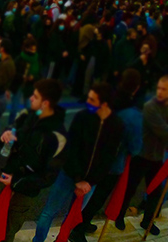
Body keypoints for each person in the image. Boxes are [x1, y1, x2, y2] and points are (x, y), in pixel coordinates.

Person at [32, 83, 124, 242]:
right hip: (69, 175)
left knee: (72, 217)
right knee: (49, 212)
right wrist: (78, 179)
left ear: (104, 104)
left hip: (89, 184)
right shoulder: (82, 117)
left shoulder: (116, 125)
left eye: (91, 99)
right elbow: (71, 149)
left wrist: (90, 181)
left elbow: (108, 158)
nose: (87, 102)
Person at [73, 69, 142, 237]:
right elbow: (135, 147)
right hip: (113, 164)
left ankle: (79, 223)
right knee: (97, 199)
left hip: (92, 158)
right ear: (136, 88)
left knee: (86, 195)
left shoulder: (108, 101)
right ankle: (78, 229)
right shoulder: (133, 116)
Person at [0, 79, 66, 242]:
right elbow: (10, 135)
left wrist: (16, 182)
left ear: (45, 103)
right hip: (7, 178)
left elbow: (47, 177)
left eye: (35, 96)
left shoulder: (58, 136)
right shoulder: (28, 115)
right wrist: (5, 137)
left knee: (8, 229)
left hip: (24, 190)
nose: (31, 99)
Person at [117, 74, 168, 234]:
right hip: (142, 154)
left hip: (157, 156)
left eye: (164, 89)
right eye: (158, 88)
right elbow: (164, 132)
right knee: (130, 188)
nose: (159, 92)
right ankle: (118, 215)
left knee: (155, 192)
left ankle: (148, 221)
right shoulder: (150, 107)